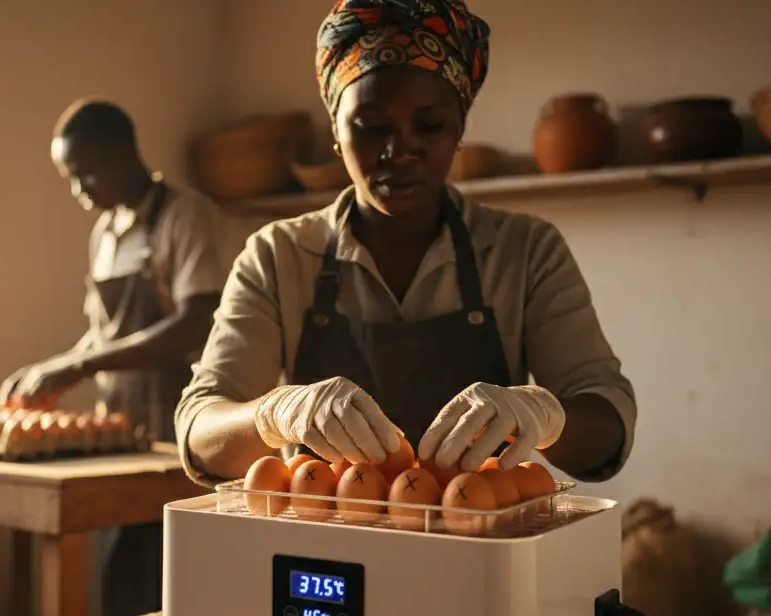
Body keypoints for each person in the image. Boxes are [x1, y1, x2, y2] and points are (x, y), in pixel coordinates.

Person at [175, 0, 635, 491]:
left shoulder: (526, 250)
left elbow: (607, 426)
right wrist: (274, 414)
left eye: (430, 125)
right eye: (371, 126)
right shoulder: (278, 255)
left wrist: (544, 415)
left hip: (477, 546)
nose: (399, 149)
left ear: (459, 131)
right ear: (336, 131)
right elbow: (200, 432)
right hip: (325, 550)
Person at [0, 99, 227, 616]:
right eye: (71, 181)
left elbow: (197, 321)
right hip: (123, 431)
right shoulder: (106, 232)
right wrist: (52, 368)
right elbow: (103, 336)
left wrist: (78, 367)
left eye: (85, 176)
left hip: (182, 435)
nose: (81, 194)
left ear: (122, 153)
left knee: (173, 589)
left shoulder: (187, 215)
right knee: (122, 583)